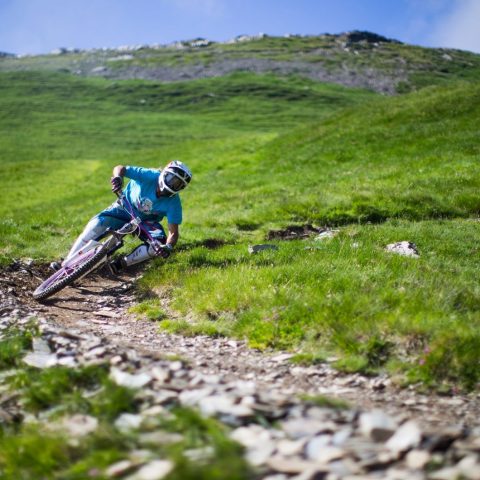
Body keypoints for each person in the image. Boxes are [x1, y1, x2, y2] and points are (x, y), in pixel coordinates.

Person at [51, 161, 192, 274]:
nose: (172, 184)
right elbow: (121, 168)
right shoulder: (150, 175)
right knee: (95, 226)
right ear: (164, 173)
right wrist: (118, 178)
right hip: (123, 208)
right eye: (171, 178)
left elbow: (173, 233)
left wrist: (167, 247)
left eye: (177, 183)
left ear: (182, 188)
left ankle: (121, 264)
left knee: (157, 246)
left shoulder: (174, 203)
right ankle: (66, 264)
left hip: (145, 222)